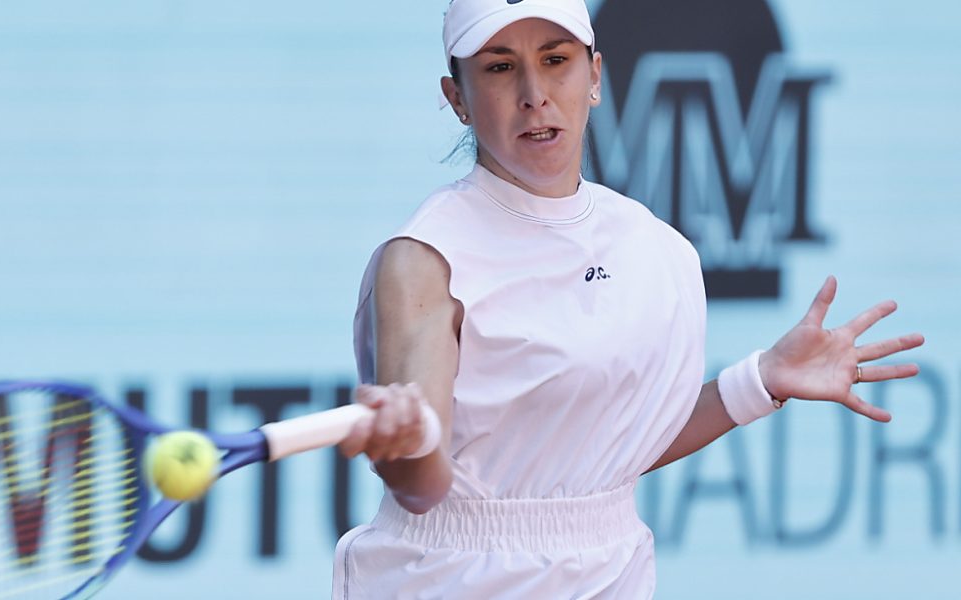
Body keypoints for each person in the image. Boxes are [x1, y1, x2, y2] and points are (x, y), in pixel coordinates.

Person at [331, 0, 924, 598]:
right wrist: (409, 445)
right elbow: (422, 485)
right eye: (500, 68)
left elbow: (606, 455)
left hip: (611, 576)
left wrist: (761, 379)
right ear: (457, 97)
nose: (534, 95)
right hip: (449, 580)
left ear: (594, 76)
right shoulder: (422, 259)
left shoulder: (657, 248)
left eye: (556, 61)